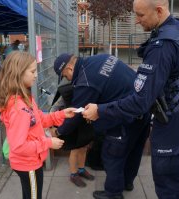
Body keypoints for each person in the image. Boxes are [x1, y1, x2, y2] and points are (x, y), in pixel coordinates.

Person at [82, 0, 179, 198]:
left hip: (171, 121)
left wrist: (100, 111)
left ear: (159, 10)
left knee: (167, 182)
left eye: (141, 15)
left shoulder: (162, 47)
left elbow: (140, 102)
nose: (136, 21)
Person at [53, 53, 150, 199]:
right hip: (143, 109)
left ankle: (113, 194)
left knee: (112, 156)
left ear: (70, 68)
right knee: (133, 151)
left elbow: (76, 114)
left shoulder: (85, 80)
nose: (67, 79)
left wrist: (58, 131)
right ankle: (127, 182)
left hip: (123, 118)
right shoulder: (101, 58)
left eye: (65, 76)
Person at [0, 51, 76, 199]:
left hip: (32, 161)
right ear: (18, 74)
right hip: (28, 164)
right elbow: (19, 146)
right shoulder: (19, 108)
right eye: (32, 71)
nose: (36, 75)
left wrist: (62, 114)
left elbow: (40, 120)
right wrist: (48, 142)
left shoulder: (25, 99)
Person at [49, 78, 95, 187]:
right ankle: (73, 174)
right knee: (75, 150)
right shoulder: (68, 90)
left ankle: (81, 169)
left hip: (85, 124)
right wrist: (51, 124)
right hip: (72, 125)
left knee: (84, 147)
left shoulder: (89, 89)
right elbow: (55, 107)